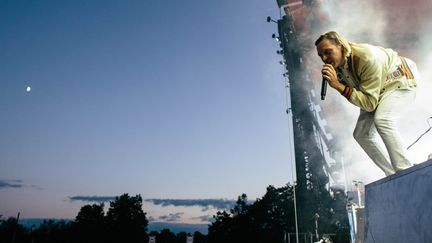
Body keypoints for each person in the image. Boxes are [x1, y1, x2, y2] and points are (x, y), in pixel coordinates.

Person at [315, 31, 419, 176]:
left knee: (383, 119)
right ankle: (392, 175)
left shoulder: (366, 57)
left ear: (340, 46)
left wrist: (338, 86)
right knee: (361, 134)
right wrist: (339, 84)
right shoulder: (337, 67)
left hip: (399, 78)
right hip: (378, 89)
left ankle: (406, 171)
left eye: (328, 52)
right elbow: (366, 98)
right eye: (321, 55)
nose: (325, 58)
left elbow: (369, 104)